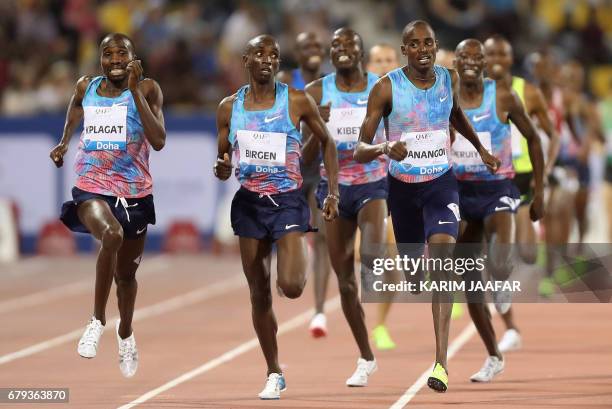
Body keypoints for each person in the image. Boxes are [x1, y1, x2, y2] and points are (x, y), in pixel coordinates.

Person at [355, 20, 499, 393]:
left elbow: (455, 115)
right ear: (405, 51)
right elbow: (360, 147)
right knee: (416, 278)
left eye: (429, 43)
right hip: (402, 191)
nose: (423, 50)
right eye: (415, 45)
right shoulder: (386, 88)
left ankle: (440, 363)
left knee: (443, 262)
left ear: (436, 46)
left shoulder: (447, 79)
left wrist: (481, 150)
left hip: (441, 184)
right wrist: (386, 148)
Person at [213, 34, 339, 400]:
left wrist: (332, 191)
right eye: (260, 54)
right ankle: (273, 371)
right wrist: (222, 168)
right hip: (249, 204)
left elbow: (327, 142)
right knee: (258, 293)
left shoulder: (295, 100)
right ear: (246, 60)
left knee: (293, 287)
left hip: (287, 201)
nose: (267, 60)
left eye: (274, 55)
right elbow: (223, 158)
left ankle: (295, 254)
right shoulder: (228, 107)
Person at [49, 33, 166, 378]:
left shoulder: (147, 90)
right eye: (107, 54)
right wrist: (63, 142)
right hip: (91, 186)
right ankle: (97, 320)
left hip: (135, 193)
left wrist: (133, 88)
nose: (114, 60)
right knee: (110, 235)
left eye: (121, 54)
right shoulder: (86, 86)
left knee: (127, 278)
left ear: (133, 57)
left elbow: (158, 140)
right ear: (99, 58)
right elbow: (74, 110)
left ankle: (125, 332)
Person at [451, 39, 544, 381]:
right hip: (460, 192)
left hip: (498, 189)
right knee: (469, 281)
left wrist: (540, 192)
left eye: (479, 57)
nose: (472, 62)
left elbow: (533, 138)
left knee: (499, 262)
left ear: (486, 63)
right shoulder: (446, 98)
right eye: (465, 57)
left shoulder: (502, 95)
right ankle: (494, 355)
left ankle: (502, 280)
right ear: (456, 62)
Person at [304, 27, 383, 386]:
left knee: (370, 255)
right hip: (333, 188)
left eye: (350, 44)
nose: (342, 49)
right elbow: (303, 157)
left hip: (374, 182)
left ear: (361, 50)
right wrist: (317, 127)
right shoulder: (316, 92)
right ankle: (366, 356)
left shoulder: (380, 88)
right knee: (345, 282)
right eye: (335, 45)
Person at [484, 35, 560, 352]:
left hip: (524, 177)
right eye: (492, 53)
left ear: (511, 58)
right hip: (489, 179)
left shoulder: (526, 92)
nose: (498, 57)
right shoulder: (473, 92)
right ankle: (508, 320)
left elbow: (550, 135)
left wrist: (546, 172)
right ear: (483, 58)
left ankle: (524, 232)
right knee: (494, 255)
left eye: (504, 52)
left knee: (528, 254)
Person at [277, 31, 333, 338]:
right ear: (297, 54)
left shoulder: (330, 84)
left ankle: (320, 311)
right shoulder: (286, 80)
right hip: (290, 165)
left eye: (317, 45)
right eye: (306, 47)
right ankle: (286, 267)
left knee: (322, 236)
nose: (313, 50)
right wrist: (309, 118)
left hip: (319, 168)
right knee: (288, 230)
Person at [365, 42, 402, 351]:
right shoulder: (357, 96)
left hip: (397, 183)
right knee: (361, 254)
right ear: (368, 65)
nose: (384, 65)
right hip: (362, 184)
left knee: (392, 262)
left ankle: (379, 325)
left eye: (389, 60)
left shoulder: (408, 94)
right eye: (378, 61)